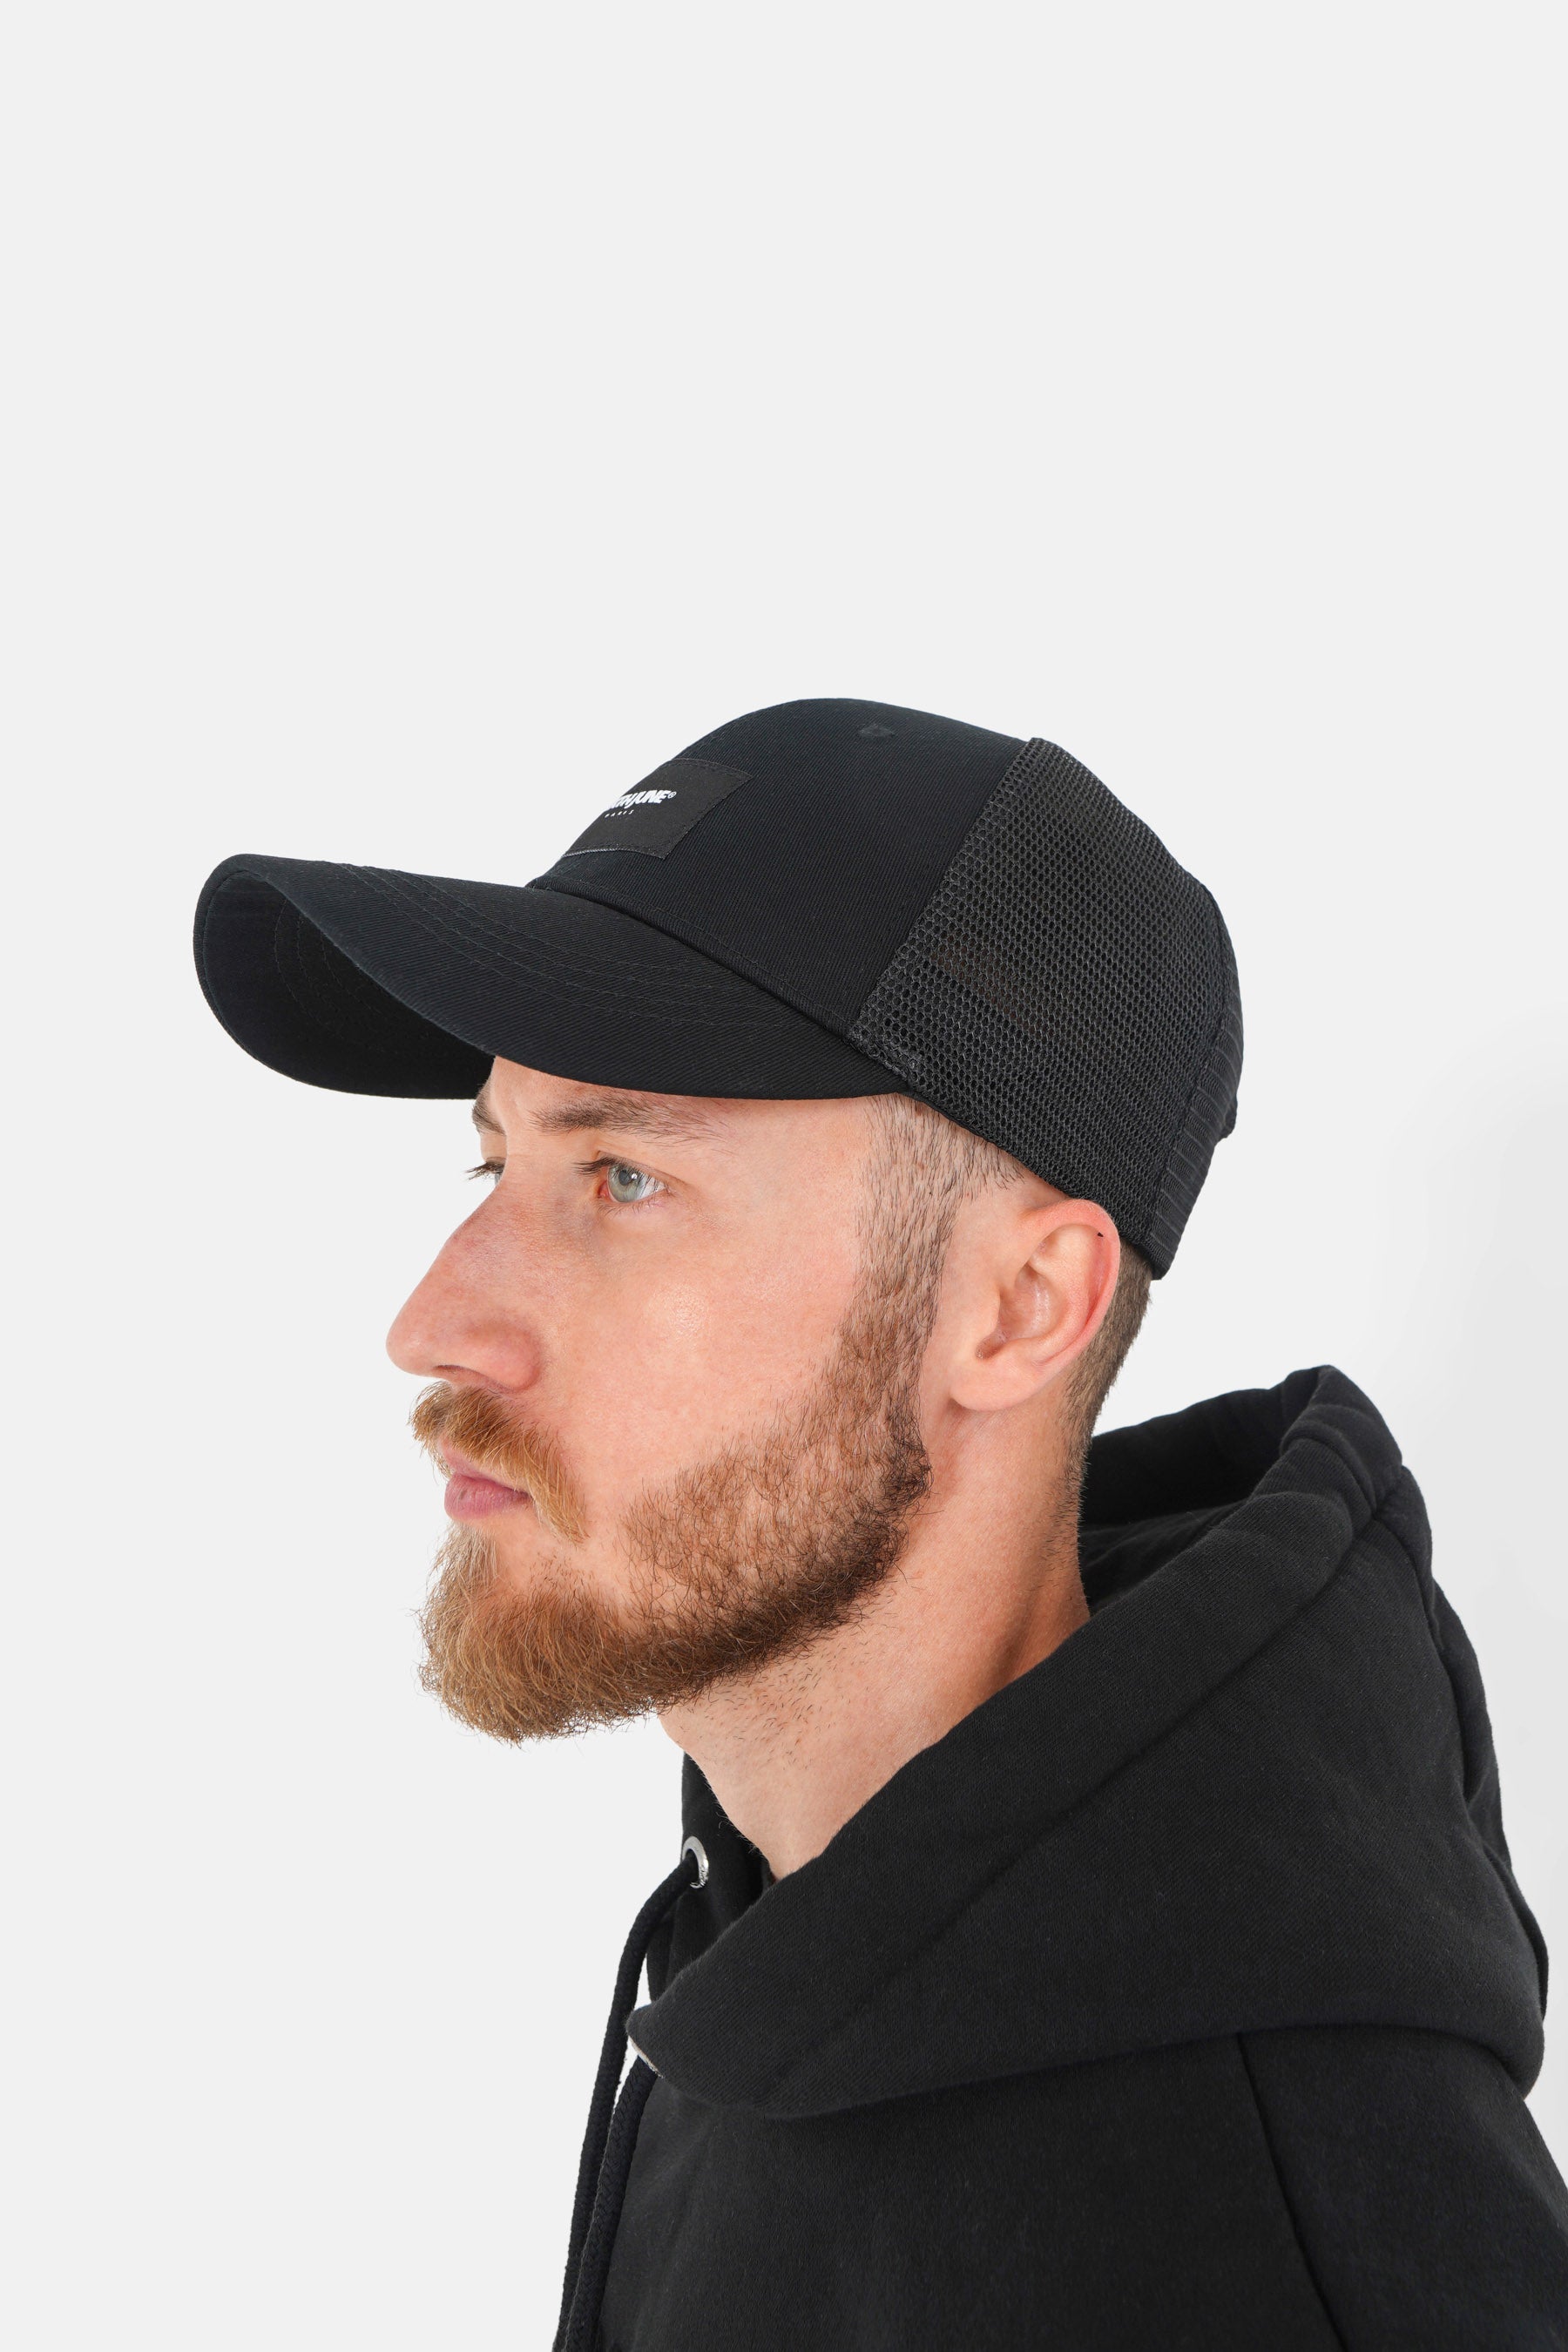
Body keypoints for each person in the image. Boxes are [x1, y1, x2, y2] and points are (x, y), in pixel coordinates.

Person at [194, 698, 1568, 2349]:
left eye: (623, 1176)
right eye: (493, 1167)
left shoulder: (1288, 2256)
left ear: (1017, 1306)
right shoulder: (783, 1944)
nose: (431, 1326)